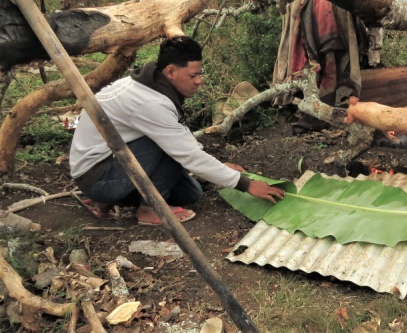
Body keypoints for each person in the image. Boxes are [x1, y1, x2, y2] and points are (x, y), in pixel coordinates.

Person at [69, 36, 285, 226]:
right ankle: (148, 210)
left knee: (190, 193)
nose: (199, 81)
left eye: (200, 74)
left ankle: (105, 201)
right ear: (170, 71)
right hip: (98, 176)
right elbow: (187, 153)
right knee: (171, 149)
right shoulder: (150, 103)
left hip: (105, 167)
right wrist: (246, 185)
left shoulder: (148, 84)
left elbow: (180, 139)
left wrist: (218, 168)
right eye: (193, 76)